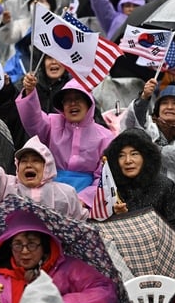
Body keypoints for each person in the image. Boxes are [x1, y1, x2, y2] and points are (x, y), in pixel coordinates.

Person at [0, 107, 87, 220]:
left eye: (36, 160)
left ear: (47, 166)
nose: (29, 164)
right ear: (17, 167)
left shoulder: (67, 194)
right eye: (24, 161)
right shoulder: (5, 186)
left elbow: (79, 225)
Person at [16, 76, 115, 207]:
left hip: (85, 202)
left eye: (78, 99)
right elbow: (32, 120)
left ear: (89, 104)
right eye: (67, 100)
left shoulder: (106, 136)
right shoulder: (52, 123)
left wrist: (84, 200)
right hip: (48, 196)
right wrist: (29, 92)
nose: (72, 104)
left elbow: (104, 178)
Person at [121, 83, 175, 216]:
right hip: (142, 205)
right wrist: (144, 98)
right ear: (157, 109)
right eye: (164, 103)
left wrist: (152, 149)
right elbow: (132, 124)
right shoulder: (148, 131)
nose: (169, 107)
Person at [103, 128, 175, 238]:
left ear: (146, 157)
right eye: (121, 155)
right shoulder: (110, 186)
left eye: (134, 154)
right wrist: (117, 216)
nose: (128, 160)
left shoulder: (165, 187)